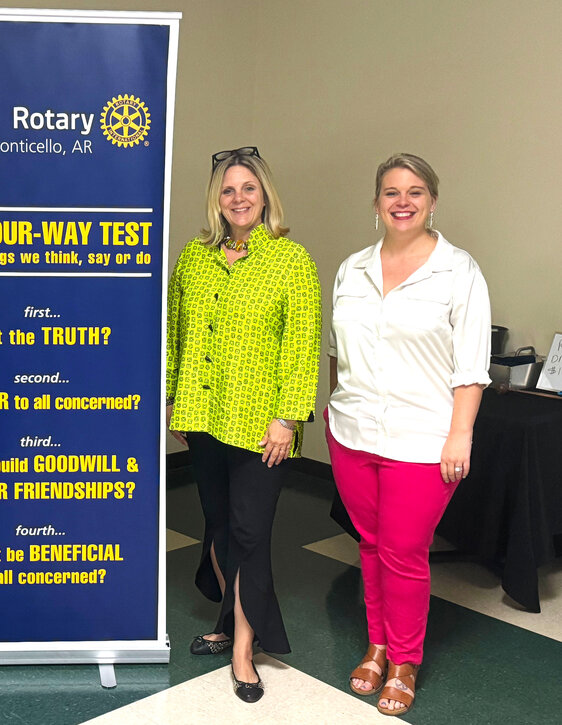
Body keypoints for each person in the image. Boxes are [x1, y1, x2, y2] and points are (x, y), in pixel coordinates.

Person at [326, 153, 491, 716]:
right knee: (369, 544)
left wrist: (460, 436)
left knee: (403, 551)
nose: (403, 201)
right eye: (391, 192)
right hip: (351, 432)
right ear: (376, 203)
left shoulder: (458, 271)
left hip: (423, 440)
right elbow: (337, 355)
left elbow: (471, 368)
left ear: (432, 201)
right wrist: (333, 412)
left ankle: (404, 660)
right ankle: (376, 644)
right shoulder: (353, 269)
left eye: (415, 192)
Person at [166, 147, 321, 703]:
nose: (238, 198)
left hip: (262, 426)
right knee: (219, 526)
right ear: (217, 199)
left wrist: (287, 417)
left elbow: (302, 347)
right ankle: (230, 621)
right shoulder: (193, 256)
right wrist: (172, 400)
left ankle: (243, 651)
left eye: (248, 189)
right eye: (228, 190)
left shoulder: (291, 260)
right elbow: (174, 332)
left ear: (265, 195)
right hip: (203, 416)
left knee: (251, 533)